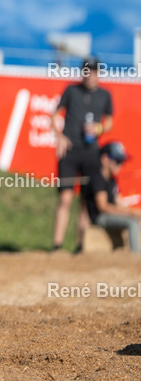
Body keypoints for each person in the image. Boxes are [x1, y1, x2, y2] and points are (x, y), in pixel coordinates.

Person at [52, 56, 114, 252]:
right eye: (87, 71)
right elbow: (55, 114)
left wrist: (98, 128)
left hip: (91, 152)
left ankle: (80, 247)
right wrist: (60, 136)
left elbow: (109, 122)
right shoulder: (71, 91)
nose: (90, 75)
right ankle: (57, 246)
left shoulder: (105, 95)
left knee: (86, 201)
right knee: (65, 198)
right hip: (70, 151)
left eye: (94, 71)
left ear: (99, 73)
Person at [82, 141, 140, 254]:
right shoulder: (97, 178)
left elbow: (119, 203)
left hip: (110, 214)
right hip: (100, 218)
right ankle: (137, 256)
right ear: (105, 159)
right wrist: (131, 213)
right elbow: (103, 207)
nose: (120, 165)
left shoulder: (112, 180)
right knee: (132, 222)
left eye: (122, 162)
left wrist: (134, 212)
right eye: (117, 161)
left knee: (137, 219)